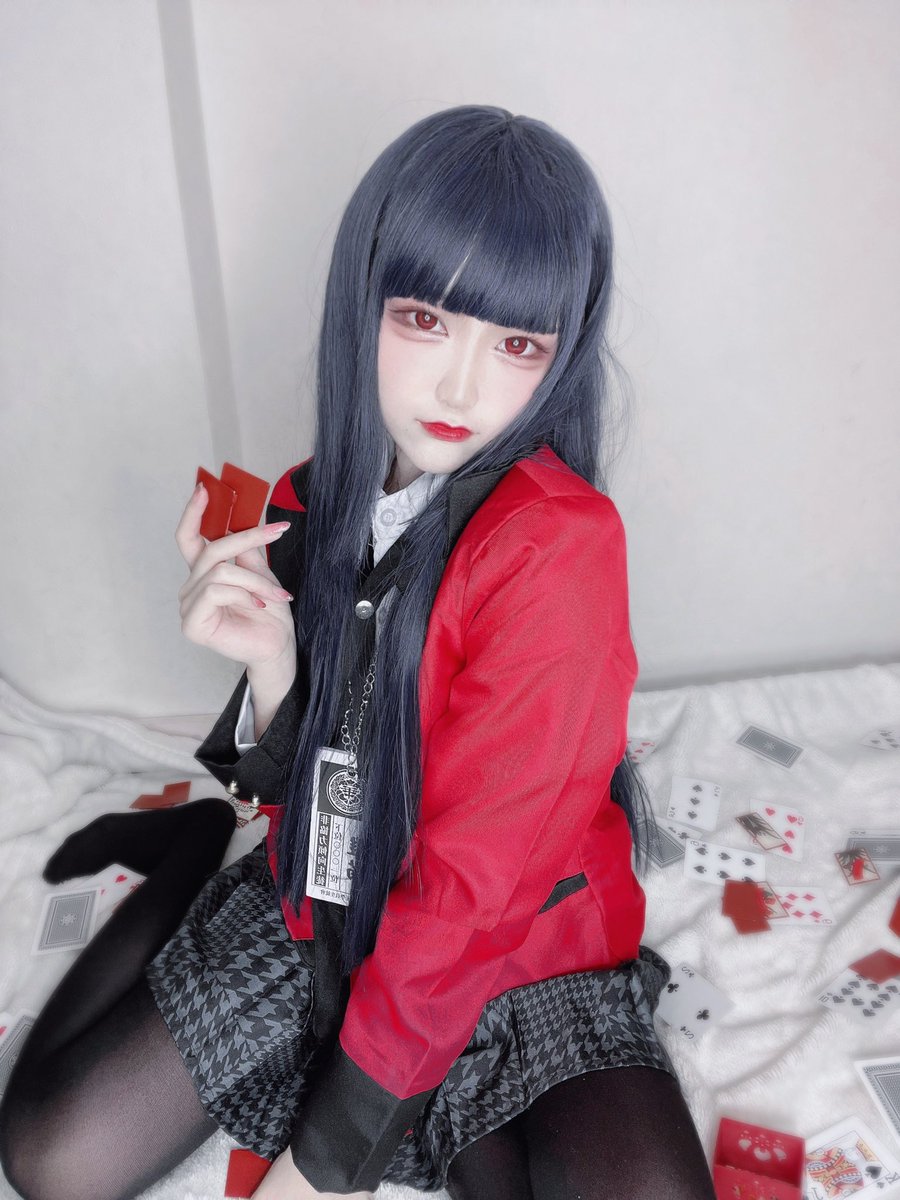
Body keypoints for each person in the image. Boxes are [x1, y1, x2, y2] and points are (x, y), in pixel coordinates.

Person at [0, 105, 716, 1200]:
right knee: (52, 1160)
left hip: (518, 947)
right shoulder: (308, 502)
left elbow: (473, 892)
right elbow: (317, 788)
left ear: (559, 356)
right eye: (426, 319)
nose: (462, 389)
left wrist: (318, 1169)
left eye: (517, 345)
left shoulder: (559, 548)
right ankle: (191, 849)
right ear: (364, 301)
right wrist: (271, 663)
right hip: (329, 909)